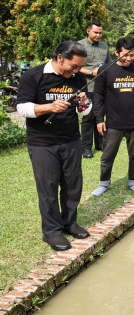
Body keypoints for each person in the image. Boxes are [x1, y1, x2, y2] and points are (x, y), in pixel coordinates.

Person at [17, 41, 92, 251]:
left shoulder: (77, 78)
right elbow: (22, 108)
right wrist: (49, 106)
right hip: (42, 143)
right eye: (73, 66)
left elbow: (84, 112)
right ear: (60, 58)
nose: (77, 71)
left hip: (71, 140)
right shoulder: (33, 75)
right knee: (48, 187)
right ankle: (51, 232)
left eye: (79, 67)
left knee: (72, 184)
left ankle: (70, 223)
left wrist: (84, 103)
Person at [91, 37, 134, 197]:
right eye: (125, 55)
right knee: (107, 155)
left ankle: (133, 182)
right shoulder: (105, 70)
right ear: (116, 53)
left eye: (132, 55)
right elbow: (98, 96)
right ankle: (104, 183)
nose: (128, 59)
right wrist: (99, 119)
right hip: (113, 123)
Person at [78, 20, 112, 159]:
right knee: (88, 117)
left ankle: (100, 143)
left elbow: (110, 65)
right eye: (96, 32)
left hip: (102, 87)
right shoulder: (79, 46)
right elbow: (74, 66)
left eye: (100, 33)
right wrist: (92, 72)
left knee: (100, 115)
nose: (98, 35)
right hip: (85, 87)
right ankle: (86, 148)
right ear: (88, 31)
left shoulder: (104, 47)